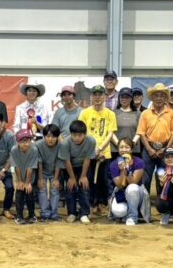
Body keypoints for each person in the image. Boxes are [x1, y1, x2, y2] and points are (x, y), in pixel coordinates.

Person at [79, 84, 118, 215]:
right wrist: (93, 149)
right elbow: (82, 132)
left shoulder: (110, 114)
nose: (97, 97)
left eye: (100, 94)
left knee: (103, 180)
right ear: (91, 97)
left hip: (104, 153)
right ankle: (90, 204)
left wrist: (100, 148)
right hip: (88, 153)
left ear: (105, 97)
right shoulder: (85, 113)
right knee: (89, 179)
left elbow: (110, 133)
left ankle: (103, 204)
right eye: (95, 94)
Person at [137, 83, 173, 193]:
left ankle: (163, 202)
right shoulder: (145, 113)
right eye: (156, 95)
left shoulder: (171, 113)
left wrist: (166, 149)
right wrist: (149, 149)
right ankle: (145, 204)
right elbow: (141, 133)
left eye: (162, 96)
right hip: (149, 149)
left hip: (165, 149)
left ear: (166, 98)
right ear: (151, 97)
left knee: (165, 176)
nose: (159, 98)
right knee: (145, 178)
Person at [57, 119, 95, 224]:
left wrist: (83, 176)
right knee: (70, 188)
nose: (77, 138)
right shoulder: (65, 143)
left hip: (84, 167)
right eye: (74, 135)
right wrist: (72, 178)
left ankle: (84, 214)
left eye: (80, 135)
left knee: (85, 188)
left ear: (85, 134)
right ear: (71, 134)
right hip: (70, 167)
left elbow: (88, 159)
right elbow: (67, 161)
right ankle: (72, 213)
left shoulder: (91, 141)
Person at [108, 138, 149, 226]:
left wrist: (127, 171)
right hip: (122, 191)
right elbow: (119, 185)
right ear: (118, 149)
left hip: (137, 191)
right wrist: (122, 171)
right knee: (119, 212)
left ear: (131, 149)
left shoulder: (139, 162)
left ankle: (132, 217)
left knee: (132, 188)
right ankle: (126, 213)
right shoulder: (114, 164)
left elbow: (133, 182)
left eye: (127, 147)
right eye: (121, 147)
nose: (124, 150)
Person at [9, 129, 39, 223]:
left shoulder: (34, 149)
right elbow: (16, 166)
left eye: (27, 140)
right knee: (19, 193)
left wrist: (27, 182)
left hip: (30, 176)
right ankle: (19, 216)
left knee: (29, 192)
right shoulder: (14, 150)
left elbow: (31, 168)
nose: (25, 143)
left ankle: (31, 215)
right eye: (22, 141)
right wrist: (20, 181)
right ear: (17, 142)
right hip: (18, 175)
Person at [35, 124, 62, 221]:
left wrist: (55, 178)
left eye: (53, 137)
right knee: (42, 189)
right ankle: (45, 214)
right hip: (42, 171)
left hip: (55, 171)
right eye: (48, 136)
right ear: (44, 136)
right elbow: (39, 163)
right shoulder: (38, 145)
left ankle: (54, 214)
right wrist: (40, 178)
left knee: (55, 189)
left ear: (57, 137)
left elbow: (59, 162)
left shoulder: (60, 145)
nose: (50, 139)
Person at [114, 88, 142, 158]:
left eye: (127, 97)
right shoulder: (113, 113)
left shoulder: (138, 113)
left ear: (131, 99)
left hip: (134, 150)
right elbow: (111, 132)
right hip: (116, 150)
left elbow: (140, 131)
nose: (124, 99)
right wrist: (119, 145)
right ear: (119, 98)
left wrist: (131, 145)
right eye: (122, 97)